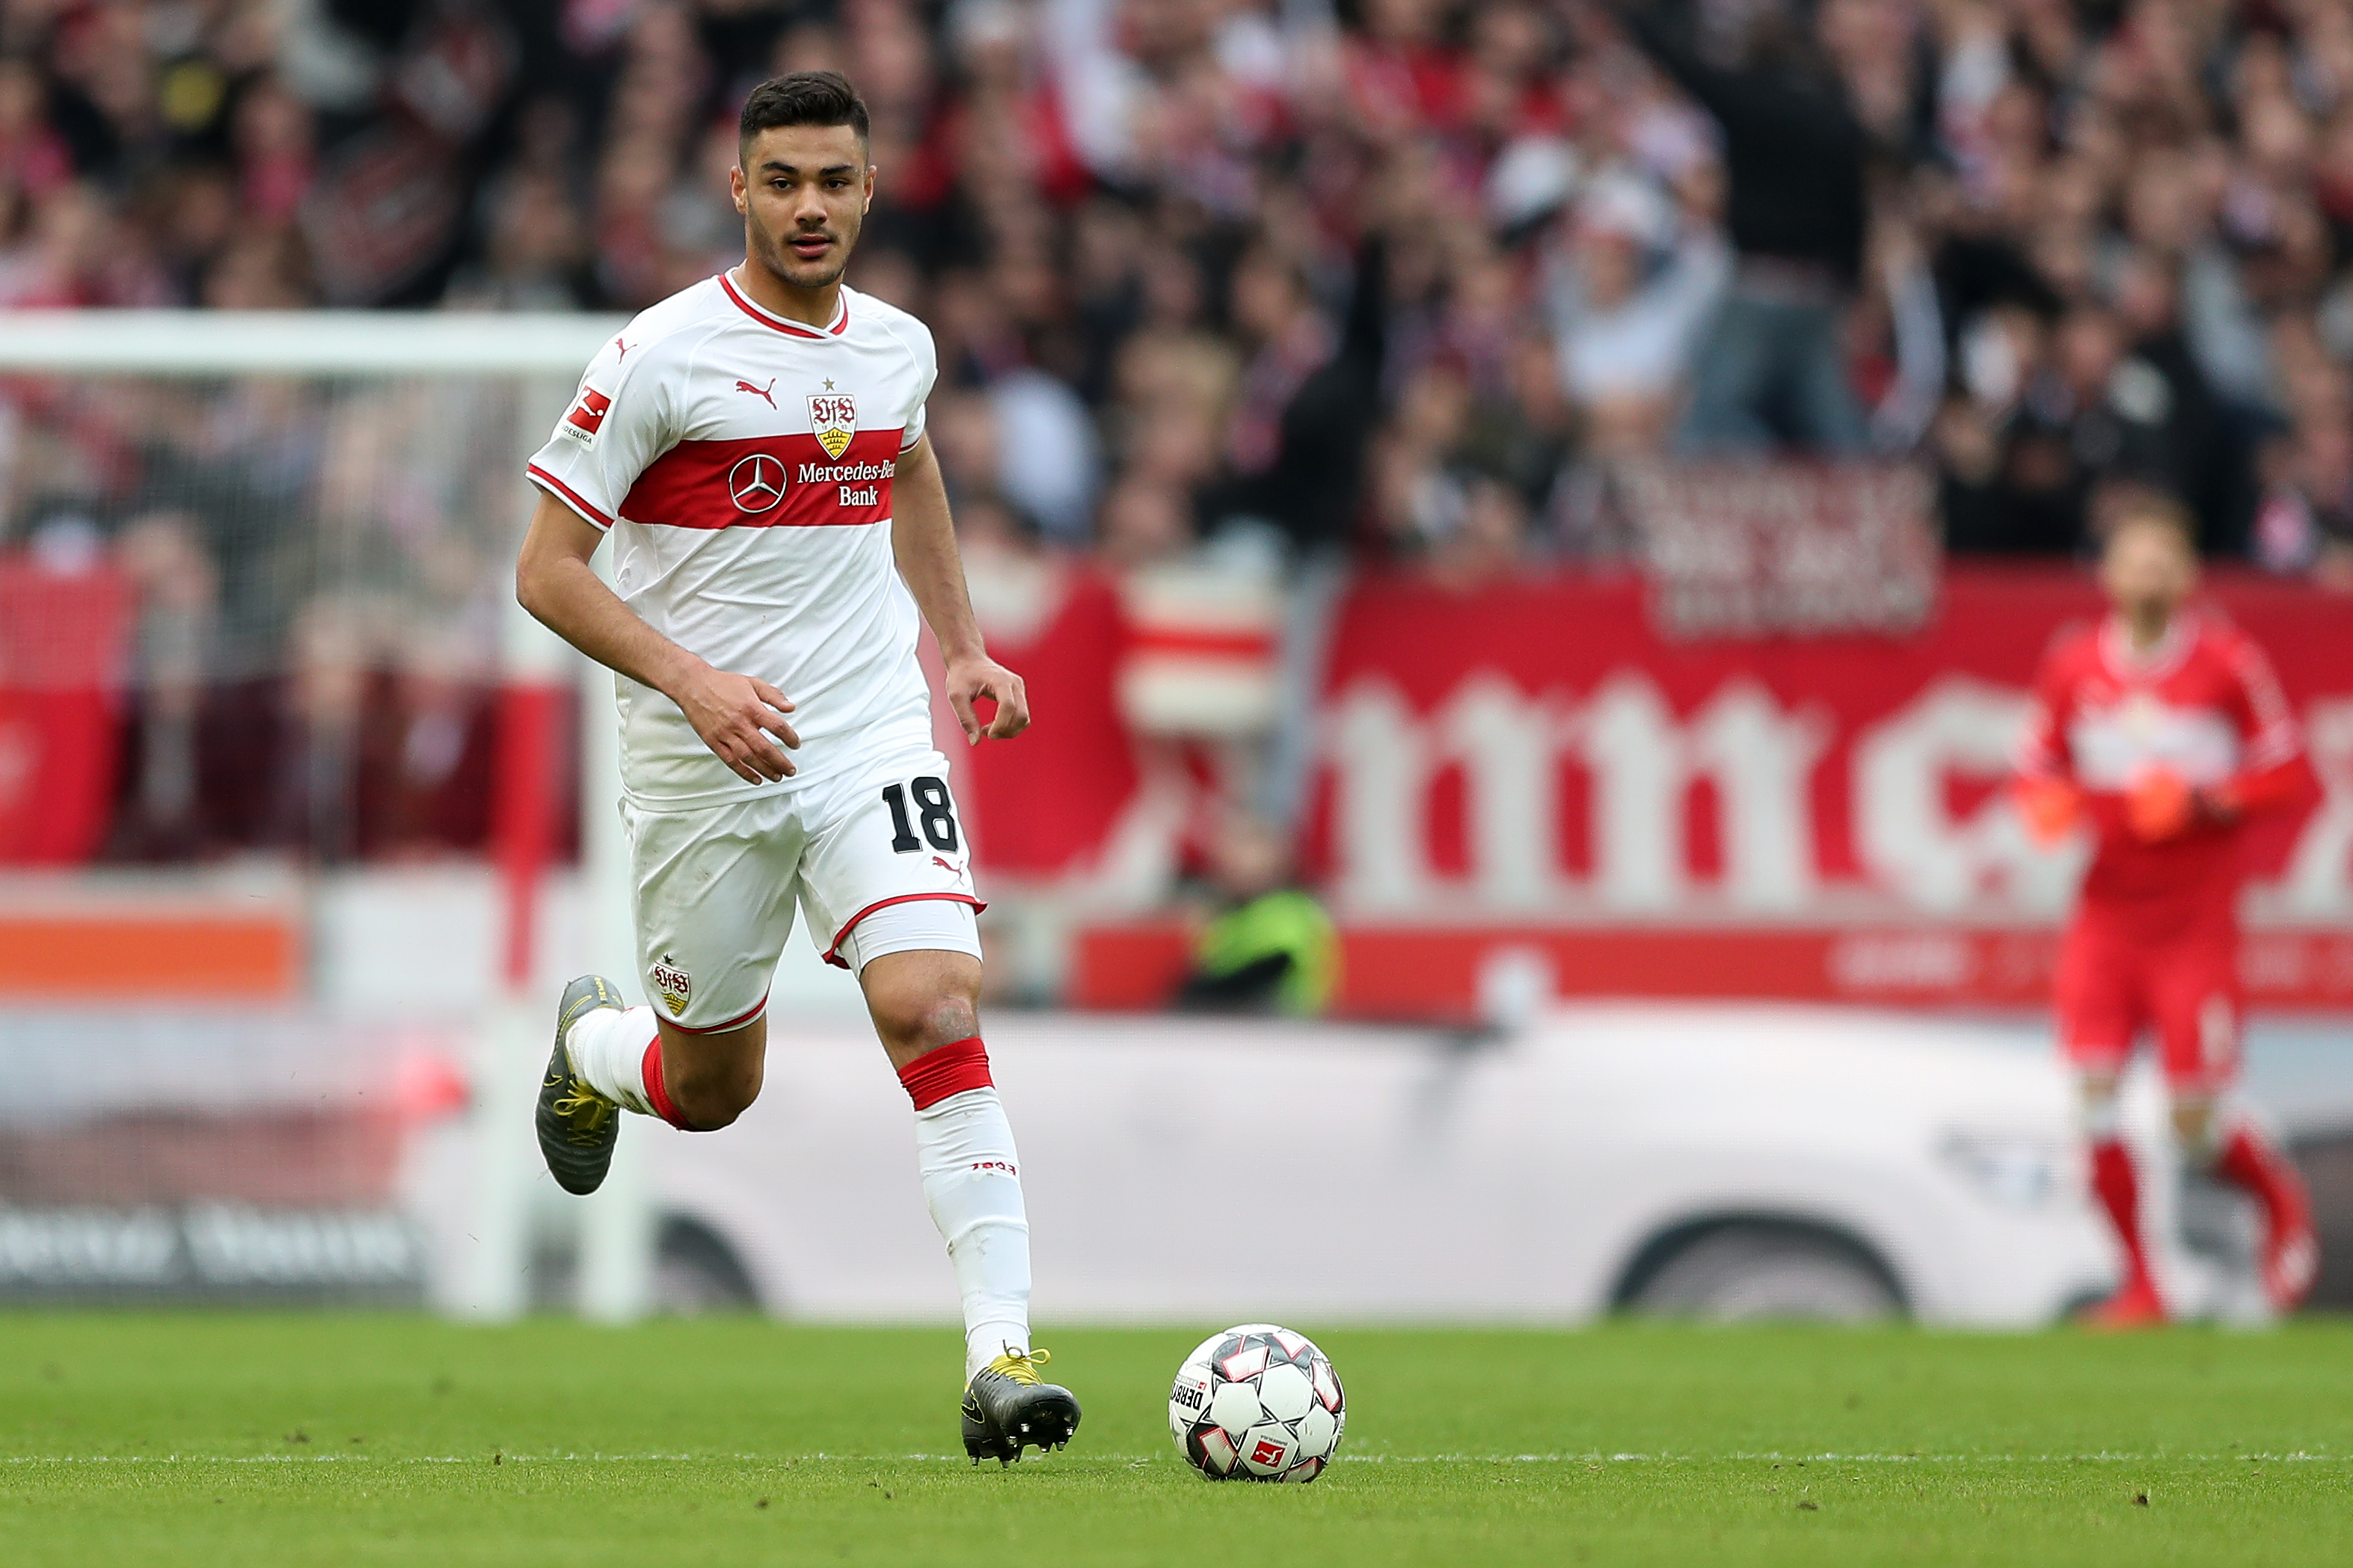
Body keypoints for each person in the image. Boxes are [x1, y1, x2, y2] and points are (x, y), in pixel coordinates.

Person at [512, 72, 1078, 1462]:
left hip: (870, 732)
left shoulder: (898, 346)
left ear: (871, 189)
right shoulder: (660, 356)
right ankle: (594, 1047)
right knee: (713, 1091)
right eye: (784, 182)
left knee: (935, 999)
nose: (811, 207)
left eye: (835, 181)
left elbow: (908, 466)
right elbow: (542, 574)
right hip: (703, 761)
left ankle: (1001, 1358)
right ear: (740, 191)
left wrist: (961, 646)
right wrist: (693, 682)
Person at [2013, 501, 2319, 1326]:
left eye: (2162, 561)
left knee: (2192, 1123)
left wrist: (2203, 801)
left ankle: (2278, 1201)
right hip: (2104, 922)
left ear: (2185, 577)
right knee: (2091, 1101)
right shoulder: (2074, 666)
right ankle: (2141, 1287)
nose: (2147, 575)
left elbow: (2286, 774)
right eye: (2132, 560)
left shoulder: (2224, 661)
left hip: (2192, 924)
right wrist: (2044, 803)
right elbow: (2036, 766)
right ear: (2107, 575)